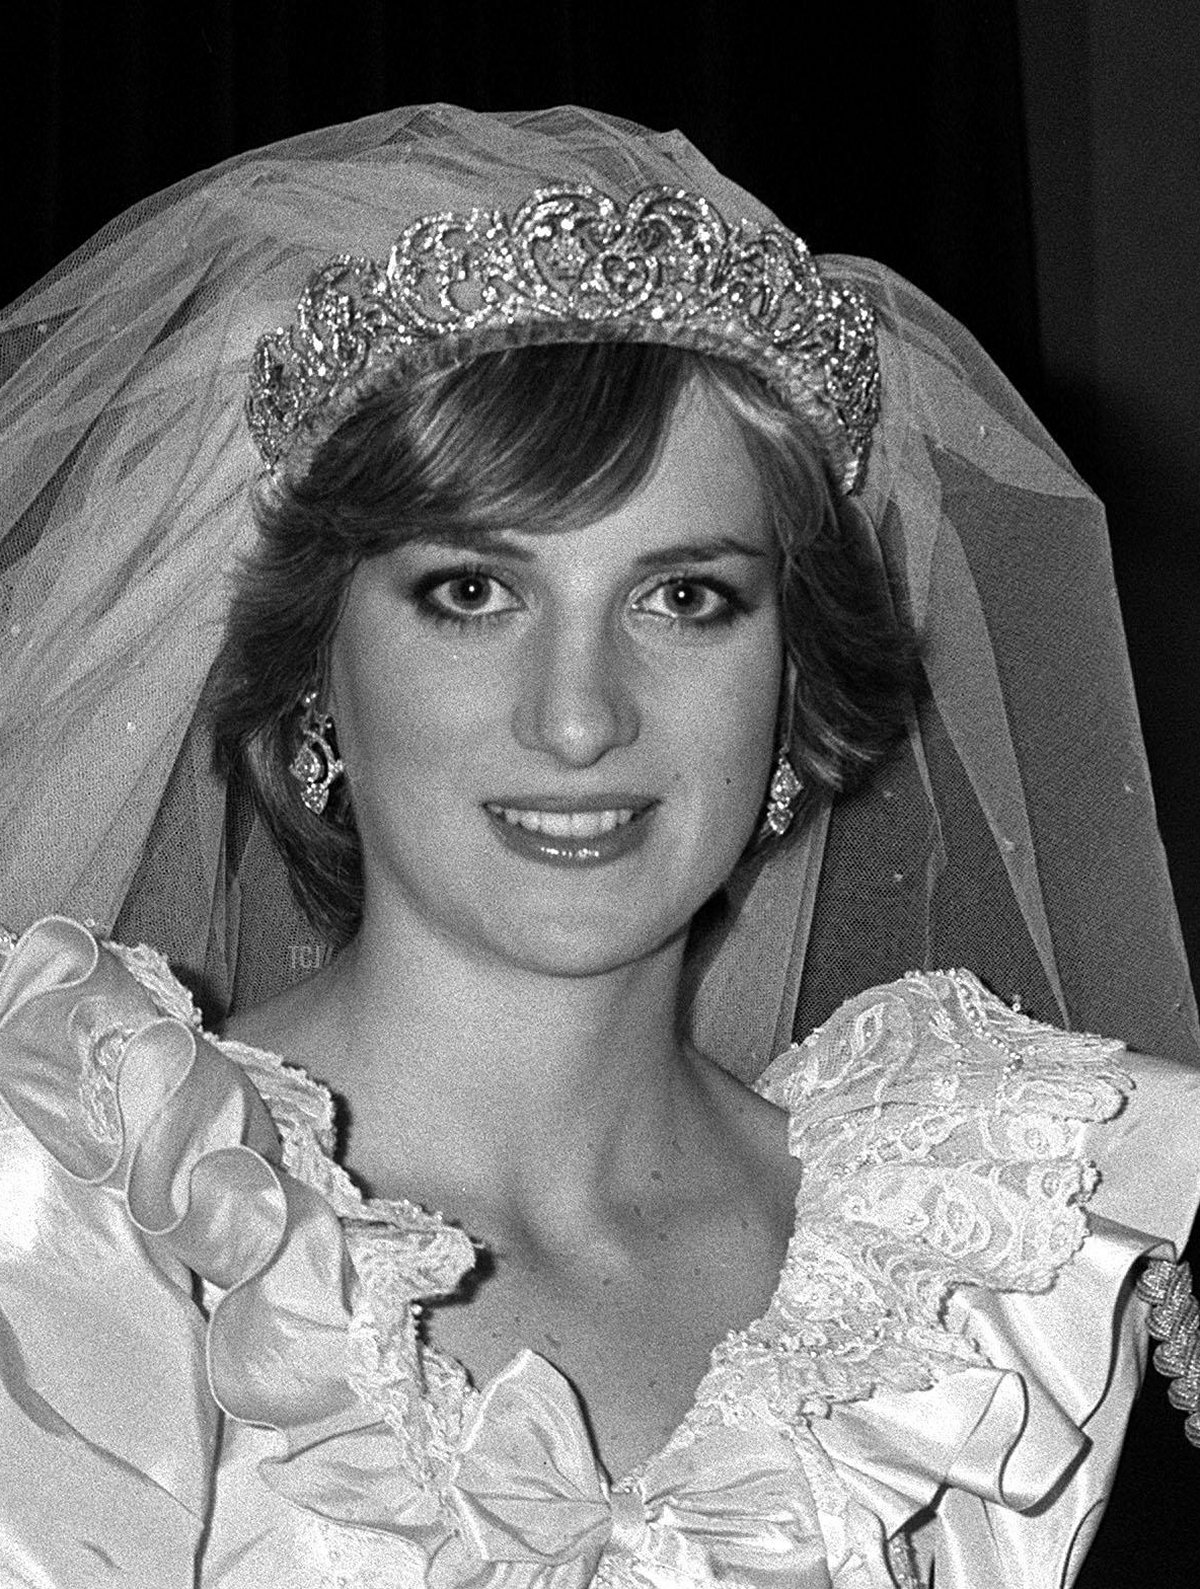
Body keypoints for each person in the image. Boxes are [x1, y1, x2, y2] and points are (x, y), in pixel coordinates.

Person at [0, 103, 1197, 1588]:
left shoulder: (1012, 1282)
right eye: (471, 593)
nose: (580, 719)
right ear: (315, 666)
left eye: (684, 597)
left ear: (796, 677)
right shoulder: (67, 1232)